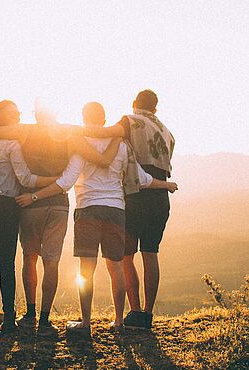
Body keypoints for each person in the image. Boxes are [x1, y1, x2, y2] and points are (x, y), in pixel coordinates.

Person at [16, 102, 177, 336]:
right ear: (104, 120)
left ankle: (86, 323)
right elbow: (141, 179)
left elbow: (67, 181)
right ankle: (119, 321)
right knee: (116, 268)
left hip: (88, 208)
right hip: (116, 210)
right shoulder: (121, 145)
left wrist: (34, 196)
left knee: (86, 270)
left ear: (84, 117)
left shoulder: (81, 143)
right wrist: (166, 185)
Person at [0, 101, 121, 337]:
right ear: (56, 112)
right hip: (58, 204)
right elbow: (97, 139)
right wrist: (118, 133)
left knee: (30, 257)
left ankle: (30, 314)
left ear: (36, 114)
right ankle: (45, 320)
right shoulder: (68, 132)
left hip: (30, 203)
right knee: (51, 262)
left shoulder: (24, 130)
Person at [73, 90, 176, 330]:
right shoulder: (168, 132)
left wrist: (71, 132)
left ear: (134, 104)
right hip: (159, 197)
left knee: (125, 257)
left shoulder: (129, 121)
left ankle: (134, 311)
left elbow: (104, 133)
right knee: (151, 254)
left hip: (135, 195)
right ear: (156, 108)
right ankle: (147, 315)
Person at [0, 100, 57, 334]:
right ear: (4, 118)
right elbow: (26, 179)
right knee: (5, 265)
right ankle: (8, 320)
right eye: (14, 113)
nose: (18, 116)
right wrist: (55, 180)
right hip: (5, 207)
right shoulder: (12, 144)